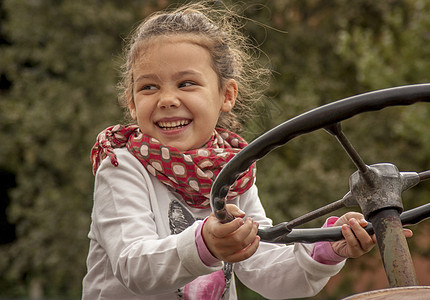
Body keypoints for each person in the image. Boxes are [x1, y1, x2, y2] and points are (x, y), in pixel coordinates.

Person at [82, 2, 410, 299]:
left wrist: (326, 249)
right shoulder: (121, 165)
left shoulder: (232, 174)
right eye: (149, 87)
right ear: (132, 102)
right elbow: (133, 267)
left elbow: (263, 263)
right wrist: (205, 243)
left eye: (186, 84)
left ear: (226, 95)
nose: (167, 99)